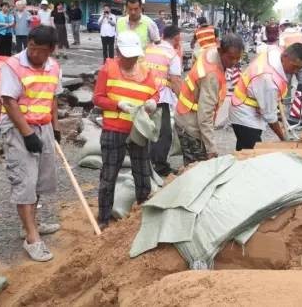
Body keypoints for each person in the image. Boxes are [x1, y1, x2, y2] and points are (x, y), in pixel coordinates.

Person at [0, 26, 62, 261]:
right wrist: (27, 134)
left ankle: (31, 224)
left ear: (51, 50)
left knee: (40, 180)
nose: (34, 53)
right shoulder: (13, 65)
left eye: (40, 50)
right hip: (18, 128)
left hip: (43, 126)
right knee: (24, 180)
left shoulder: (54, 67)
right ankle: (31, 237)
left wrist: (55, 129)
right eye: (31, 47)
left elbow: (52, 97)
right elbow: (8, 101)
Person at [93, 31, 159, 230]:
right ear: (118, 52)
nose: (130, 60)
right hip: (114, 130)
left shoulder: (146, 73)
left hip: (137, 131)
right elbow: (97, 98)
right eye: (126, 56)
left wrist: (152, 103)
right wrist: (117, 104)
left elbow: (154, 93)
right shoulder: (108, 70)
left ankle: (142, 213)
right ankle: (104, 218)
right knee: (109, 174)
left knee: (142, 173)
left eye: (133, 56)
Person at [175, 34, 244, 165]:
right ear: (220, 51)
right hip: (191, 125)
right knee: (197, 170)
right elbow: (205, 116)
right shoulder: (211, 75)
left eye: (238, 58)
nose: (234, 62)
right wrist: (211, 148)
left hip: (185, 116)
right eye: (231, 58)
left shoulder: (209, 51)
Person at [229, 43, 302, 150]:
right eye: (294, 66)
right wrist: (283, 137)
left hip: (249, 107)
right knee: (252, 153)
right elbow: (270, 117)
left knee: (244, 148)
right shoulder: (268, 79)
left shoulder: (274, 51)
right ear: (285, 56)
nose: (295, 71)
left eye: (299, 68)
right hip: (245, 115)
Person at [143, 25, 183, 176]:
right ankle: (159, 166)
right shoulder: (172, 54)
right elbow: (176, 80)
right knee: (163, 133)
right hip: (160, 97)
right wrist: (182, 100)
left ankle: (145, 161)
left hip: (143, 95)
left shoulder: (150, 48)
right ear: (177, 38)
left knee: (145, 129)